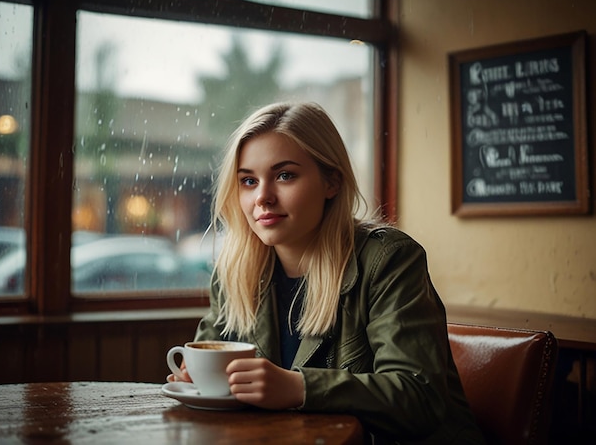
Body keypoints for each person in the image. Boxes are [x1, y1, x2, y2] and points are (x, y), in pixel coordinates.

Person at [167, 102, 484, 444]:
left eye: (285, 175)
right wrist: (194, 379)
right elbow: (205, 365)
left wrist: (299, 387)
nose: (262, 198)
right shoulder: (234, 271)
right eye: (248, 180)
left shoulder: (389, 259)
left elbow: (420, 398)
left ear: (332, 181)